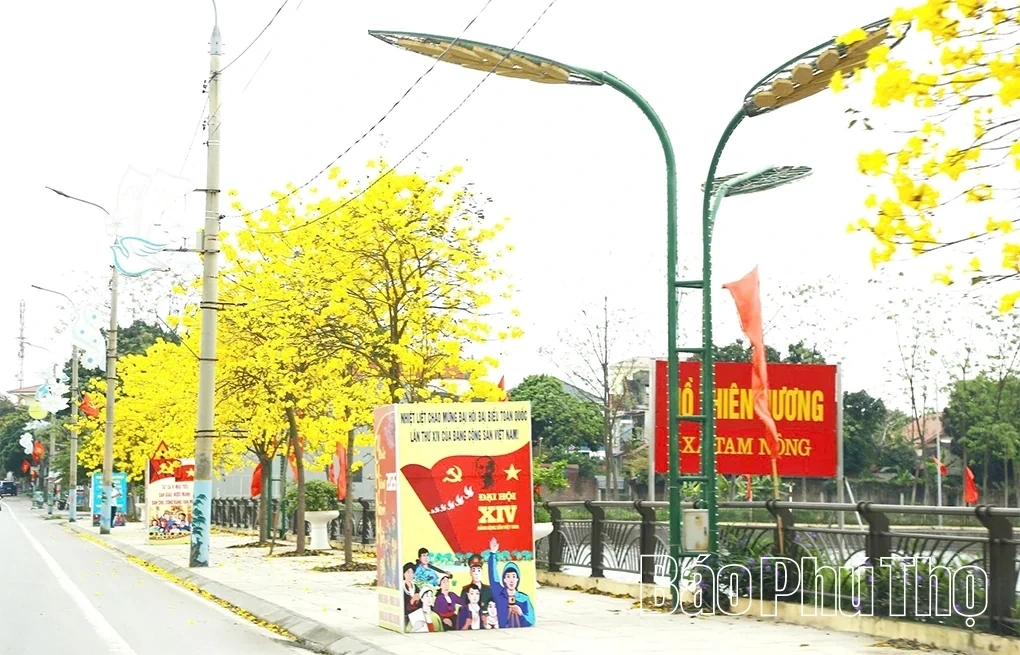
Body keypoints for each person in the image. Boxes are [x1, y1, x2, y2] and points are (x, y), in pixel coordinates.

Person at [487, 537, 535, 628]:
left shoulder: (524, 599)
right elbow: (493, 577)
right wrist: (493, 554)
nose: (511, 580)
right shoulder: (499, 594)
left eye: (514, 576)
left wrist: (520, 613)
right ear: (504, 579)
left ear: (517, 579)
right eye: (508, 577)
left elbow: (531, 621)